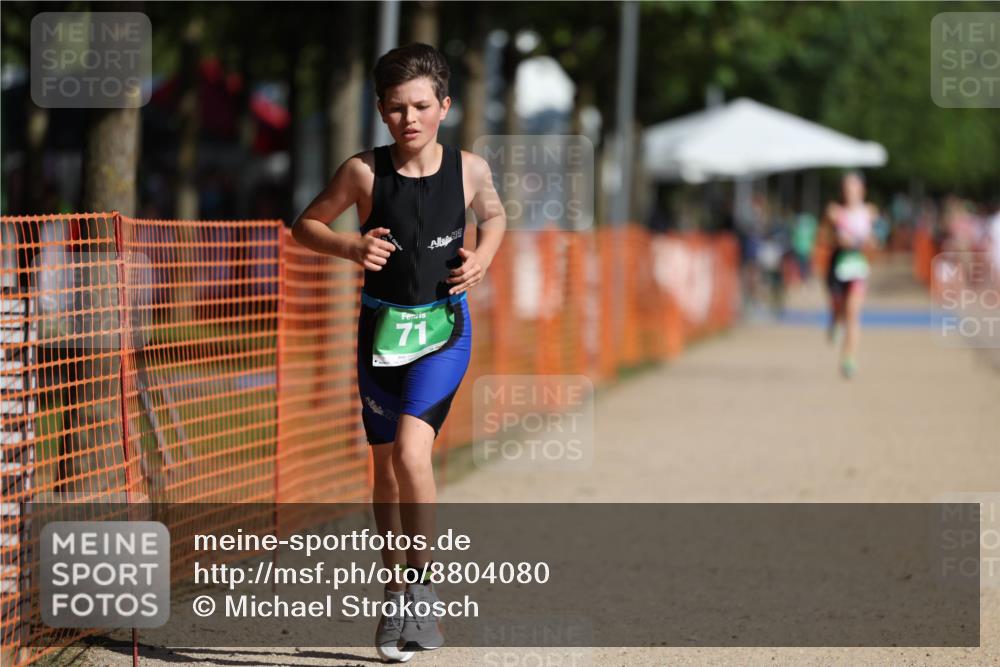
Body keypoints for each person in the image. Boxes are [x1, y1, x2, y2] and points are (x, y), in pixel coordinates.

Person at [290, 43, 506, 662]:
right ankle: (395, 597)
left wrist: (484, 257)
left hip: (442, 331)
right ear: (381, 112)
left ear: (445, 105)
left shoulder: (470, 169)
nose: (408, 119)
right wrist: (351, 249)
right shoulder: (362, 172)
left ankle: (423, 591)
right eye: (394, 109)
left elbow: (494, 217)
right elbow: (308, 224)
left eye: (419, 106)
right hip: (380, 334)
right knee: (384, 469)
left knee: (414, 452)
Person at [819, 171, 878, 379]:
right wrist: (836, 238)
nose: (849, 190)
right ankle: (834, 321)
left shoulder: (870, 212)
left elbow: (875, 241)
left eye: (853, 186)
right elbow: (823, 236)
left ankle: (848, 358)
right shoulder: (834, 211)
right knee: (838, 307)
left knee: (852, 314)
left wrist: (868, 242)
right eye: (846, 186)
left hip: (857, 268)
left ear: (862, 189)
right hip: (837, 264)